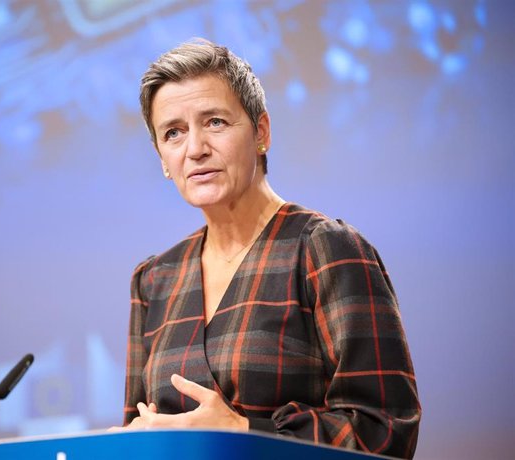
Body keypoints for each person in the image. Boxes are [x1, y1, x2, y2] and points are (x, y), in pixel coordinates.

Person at [119, 39, 421, 458]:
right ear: (162, 160)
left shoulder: (327, 249)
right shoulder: (155, 279)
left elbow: (386, 430)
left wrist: (246, 432)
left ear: (261, 132)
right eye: (174, 133)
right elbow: (135, 430)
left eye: (215, 122)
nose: (195, 149)